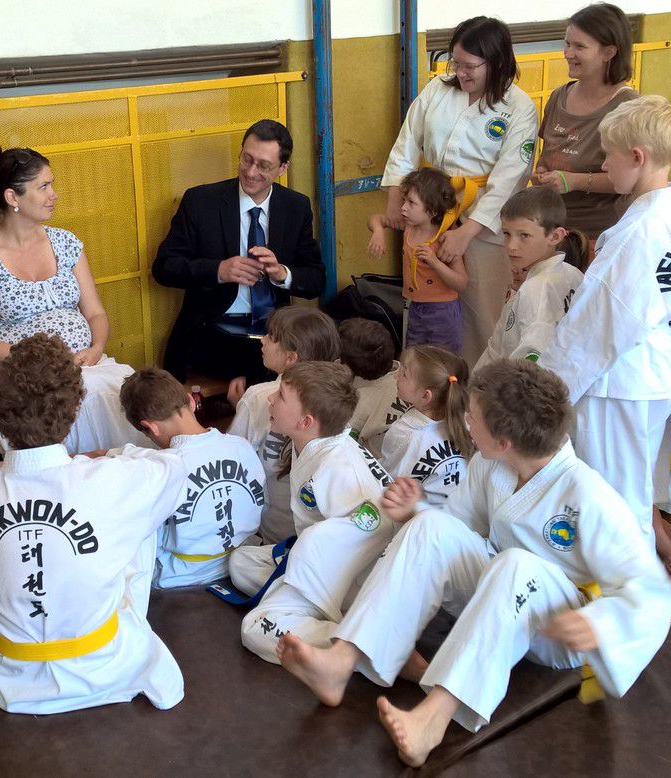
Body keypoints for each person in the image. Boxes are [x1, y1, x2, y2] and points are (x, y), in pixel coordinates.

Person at [276, 360, 671, 768]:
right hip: (498, 594)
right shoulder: (491, 463)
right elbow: (457, 529)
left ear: (504, 442)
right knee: (432, 526)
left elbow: (654, 594)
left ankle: (432, 719)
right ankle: (340, 663)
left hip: (559, 627)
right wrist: (416, 512)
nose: (465, 422)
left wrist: (599, 624)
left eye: (473, 418)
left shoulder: (589, 495)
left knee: (517, 564)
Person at [0, 335, 187, 714]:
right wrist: (102, 457)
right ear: (73, 411)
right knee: (135, 517)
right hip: (108, 665)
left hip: (9, 675)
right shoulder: (110, 480)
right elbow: (172, 465)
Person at [535, 95, 671, 565]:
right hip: (651, 372)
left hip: (620, 378)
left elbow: (601, 321)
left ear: (637, 157)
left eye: (608, 155)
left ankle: (632, 585)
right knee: (633, 487)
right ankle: (637, 573)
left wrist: (546, 387)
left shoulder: (640, 231)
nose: (604, 165)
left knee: (613, 493)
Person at [0, 146, 147, 454]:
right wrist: (46, 365)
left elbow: (96, 314)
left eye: (51, 184)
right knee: (81, 399)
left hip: (84, 366)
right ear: (12, 197)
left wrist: (96, 348)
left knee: (124, 392)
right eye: (44, 186)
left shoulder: (66, 242)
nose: (54, 195)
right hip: (24, 378)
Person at [380, 17, 540, 367]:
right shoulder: (438, 90)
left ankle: (478, 387)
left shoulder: (519, 108)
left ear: (497, 62)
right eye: (456, 62)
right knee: (424, 302)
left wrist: (467, 232)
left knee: (482, 311)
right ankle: (426, 383)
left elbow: (510, 177)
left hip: (484, 222)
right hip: (430, 213)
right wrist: (395, 199)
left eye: (470, 66)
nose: (461, 72)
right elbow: (407, 143)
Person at [233, 361, 393, 650]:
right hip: (320, 562)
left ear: (305, 421)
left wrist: (313, 565)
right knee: (241, 562)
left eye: (281, 396)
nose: (270, 399)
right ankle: (323, 615)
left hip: (353, 577)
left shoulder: (341, 467)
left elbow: (377, 531)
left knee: (254, 628)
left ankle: (365, 643)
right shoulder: (315, 443)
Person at [153, 119, 327, 385]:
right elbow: (164, 267)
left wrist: (282, 274)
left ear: (282, 168)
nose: (251, 172)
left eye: (264, 166)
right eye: (247, 159)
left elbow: (316, 280)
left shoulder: (296, 207)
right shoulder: (201, 202)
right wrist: (219, 270)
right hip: (212, 332)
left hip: (272, 335)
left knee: (304, 372)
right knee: (266, 382)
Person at [110, 367, 266, 589]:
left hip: (183, 579)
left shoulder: (160, 471)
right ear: (192, 402)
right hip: (246, 564)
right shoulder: (242, 446)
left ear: (150, 427)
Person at [226, 306, 341, 543]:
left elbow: (232, 460)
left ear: (291, 357)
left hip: (271, 533)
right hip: (321, 536)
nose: (262, 340)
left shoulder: (260, 397)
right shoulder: (338, 395)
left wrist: (243, 407)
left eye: (271, 336)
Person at [529, 3, 642, 240]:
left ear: (609, 53)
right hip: (551, 229)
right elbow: (548, 154)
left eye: (579, 46)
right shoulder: (559, 96)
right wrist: (542, 173)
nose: (568, 54)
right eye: (567, 44)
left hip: (598, 234)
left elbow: (636, 177)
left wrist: (575, 181)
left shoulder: (628, 106)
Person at [474, 187, 587, 369]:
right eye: (507, 234)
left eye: (524, 236)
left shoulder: (535, 289)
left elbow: (531, 361)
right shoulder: (572, 273)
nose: (511, 246)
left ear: (555, 236)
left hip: (509, 381)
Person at [368, 167, 467, 354]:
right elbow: (375, 219)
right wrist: (378, 232)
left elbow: (461, 283)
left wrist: (435, 263)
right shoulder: (408, 227)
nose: (403, 207)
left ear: (432, 210)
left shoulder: (445, 239)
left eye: (411, 203)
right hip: (415, 307)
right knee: (414, 356)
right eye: (404, 200)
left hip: (442, 312)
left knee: (443, 359)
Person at [377, 345, 474, 508]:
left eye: (404, 374)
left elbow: (386, 479)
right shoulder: (467, 422)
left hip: (415, 515)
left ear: (425, 396)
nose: (396, 376)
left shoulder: (405, 431)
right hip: (458, 513)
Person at [338, 318, 407, 457]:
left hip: (376, 462)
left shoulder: (356, 401)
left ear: (346, 366)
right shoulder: (406, 375)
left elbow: (343, 442)